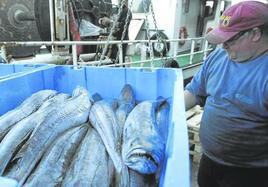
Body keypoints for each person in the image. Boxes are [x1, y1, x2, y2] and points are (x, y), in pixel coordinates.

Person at [184, 1, 268, 187]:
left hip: (250, 174)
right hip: (209, 162)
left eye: (230, 40)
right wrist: (165, 110)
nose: (224, 46)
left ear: (255, 34)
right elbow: (193, 91)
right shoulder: (219, 57)